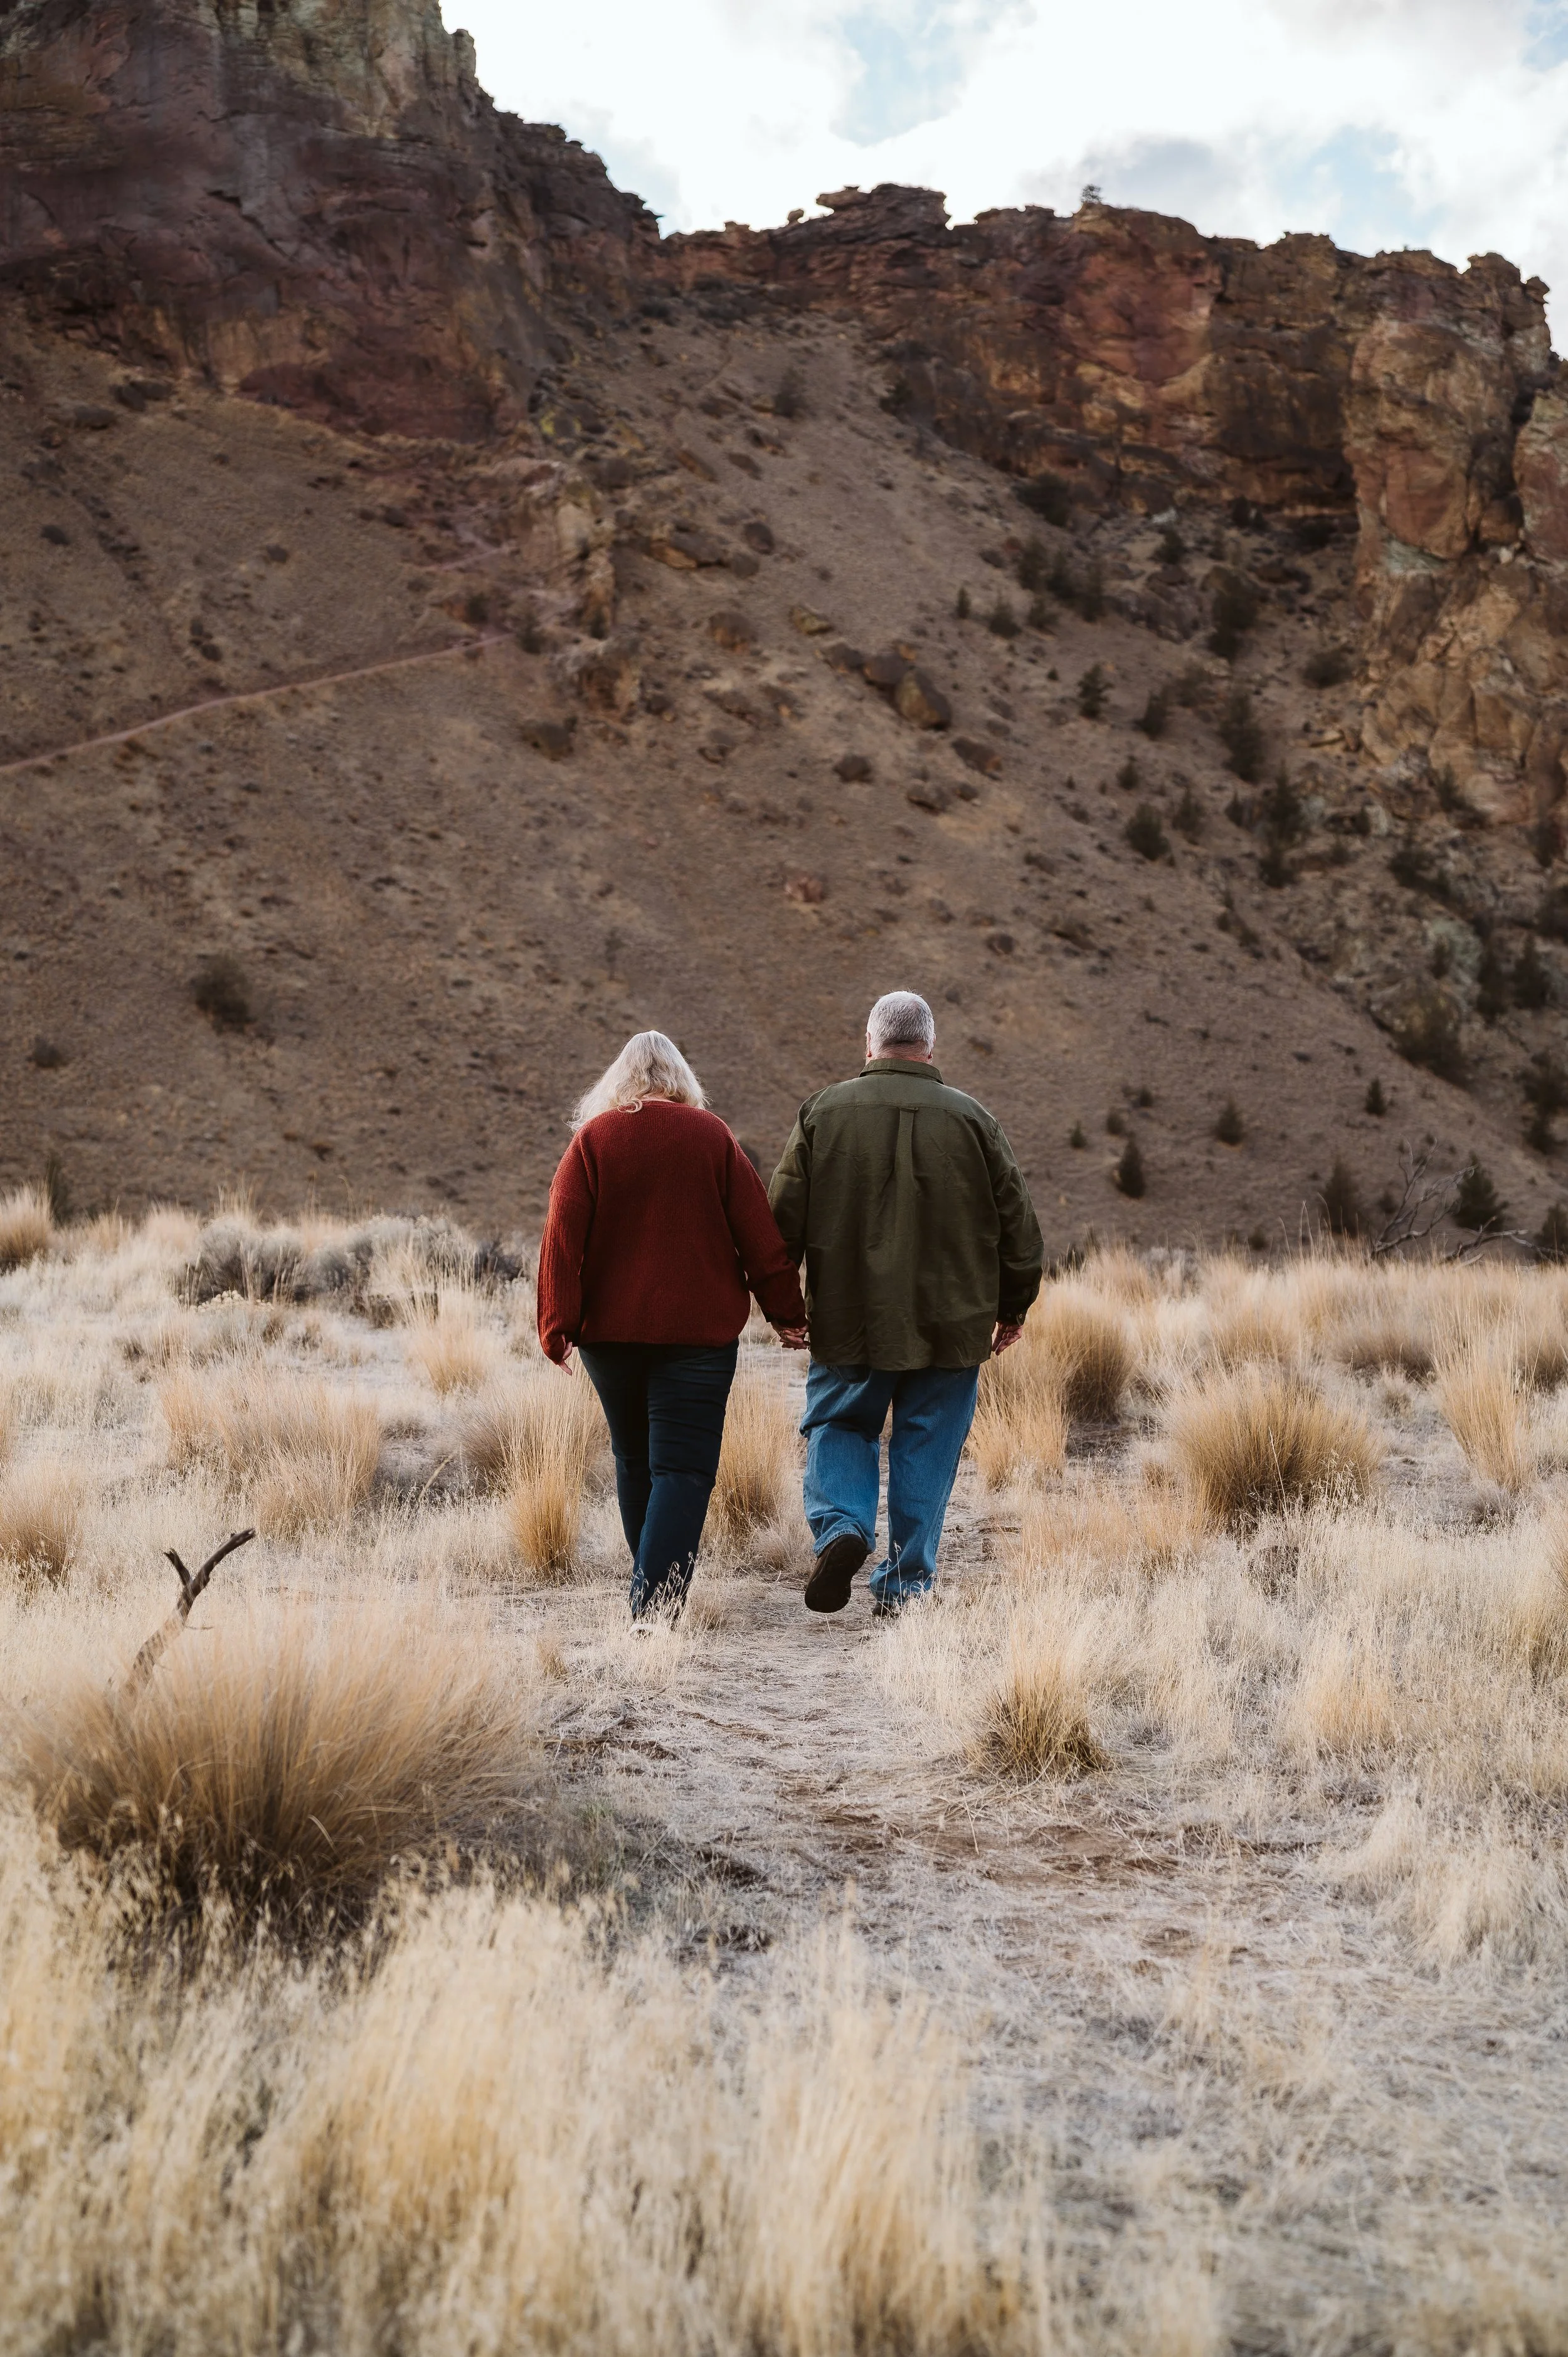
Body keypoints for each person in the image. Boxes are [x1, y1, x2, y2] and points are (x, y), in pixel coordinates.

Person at [768, 990, 1044, 1618]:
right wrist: (1014, 1307)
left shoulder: (822, 1113)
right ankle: (905, 1584)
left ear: (869, 1043)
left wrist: (782, 1305)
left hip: (849, 1319)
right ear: (929, 1045)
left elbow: (778, 1223)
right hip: (951, 1324)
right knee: (927, 1446)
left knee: (840, 1425)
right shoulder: (974, 1120)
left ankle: (842, 1526)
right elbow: (1020, 1229)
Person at [538, 1030, 807, 1620]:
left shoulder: (594, 1139)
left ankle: (651, 1596)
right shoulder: (711, 1136)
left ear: (619, 1079)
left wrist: (556, 1325)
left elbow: (561, 1236)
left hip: (608, 1338)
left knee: (636, 1462)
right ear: (681, 1079)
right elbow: (760, 1238)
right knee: (682, 1471)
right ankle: (654, 1612)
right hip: (698, 1340)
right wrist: (789, 1313)